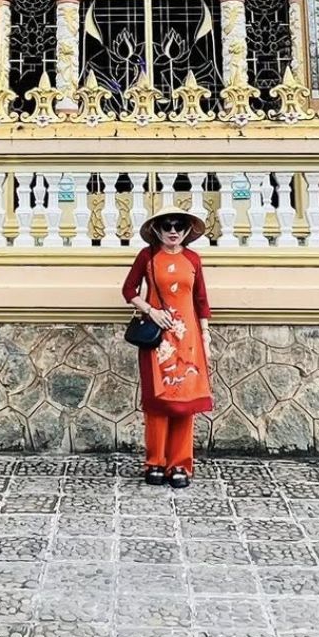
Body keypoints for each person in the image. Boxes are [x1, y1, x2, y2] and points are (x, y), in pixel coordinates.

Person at [123, 207, 213, 488]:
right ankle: (155, 462)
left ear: (187, 231)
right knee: (158, 403)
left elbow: (201, 301)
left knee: (185, 403)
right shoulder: (147, 257)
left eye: (178, 226)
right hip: (157, 340)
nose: (173, 231)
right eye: (167, 225)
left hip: (188, 340)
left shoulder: (193, 259)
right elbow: (129, 291)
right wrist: (150, 310)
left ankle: (180, 465)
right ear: (157, 230)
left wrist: (206, 337)